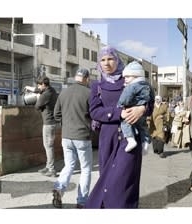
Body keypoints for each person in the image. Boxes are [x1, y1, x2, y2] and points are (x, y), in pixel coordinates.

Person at [86, 46, 151, 208]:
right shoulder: (97, 85)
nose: (106, 63)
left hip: (130, 139)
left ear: (117, 60)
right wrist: (118, 113)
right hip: (108, 138)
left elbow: (148, 99)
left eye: (110, 59)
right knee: (107, 180)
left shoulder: (130, 79)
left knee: (123, 180)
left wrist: (142, 109)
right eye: (102, 60)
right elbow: (94, 111)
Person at [51, 68, 94, 209]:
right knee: (86, 169)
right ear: (86, 79)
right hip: (82, 136)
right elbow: (94, 115)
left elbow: (56, 114)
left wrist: (66, 125)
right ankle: (82, 201)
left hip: (66, 136)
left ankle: (59, 188)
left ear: (76, 77)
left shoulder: (64, 92)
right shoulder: (89, 93)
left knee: (69, 165)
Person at [117, 61, 153, 153]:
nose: (125, 79)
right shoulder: (148, 85)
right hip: (142, 113)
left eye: (128, 77)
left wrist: (120, 105)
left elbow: (125, 98)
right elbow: (152, 97)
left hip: (130, 110)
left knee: (126, 123)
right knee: (143, 126)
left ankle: (130, 139)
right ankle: (146, 142)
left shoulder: (131, 87)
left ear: (136, 76)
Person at [33, 76, 59, 177]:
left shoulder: (45, 94)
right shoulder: (52, 90)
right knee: (48, 146)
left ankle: (52, 170)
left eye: (39, 85)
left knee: (48, 146)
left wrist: (38, 97)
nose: (38, 87)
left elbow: (37, 107)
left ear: (43, 85)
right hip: (51, 122)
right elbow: (37, 90)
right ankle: (48, 166)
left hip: (49, 123)